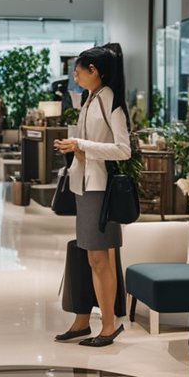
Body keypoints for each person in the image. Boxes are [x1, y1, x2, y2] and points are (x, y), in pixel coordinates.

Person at [53, 43, 131, 347]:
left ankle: (109, 325)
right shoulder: (91, 98)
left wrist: (82, 145)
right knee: (90, 255)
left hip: (100, 189)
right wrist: (76, 145)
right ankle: (83, 320)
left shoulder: (109, 100)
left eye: (78, 69)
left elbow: (123, 150)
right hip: (85, 186)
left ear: (94, 71)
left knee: (99, 258)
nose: (75, 74)